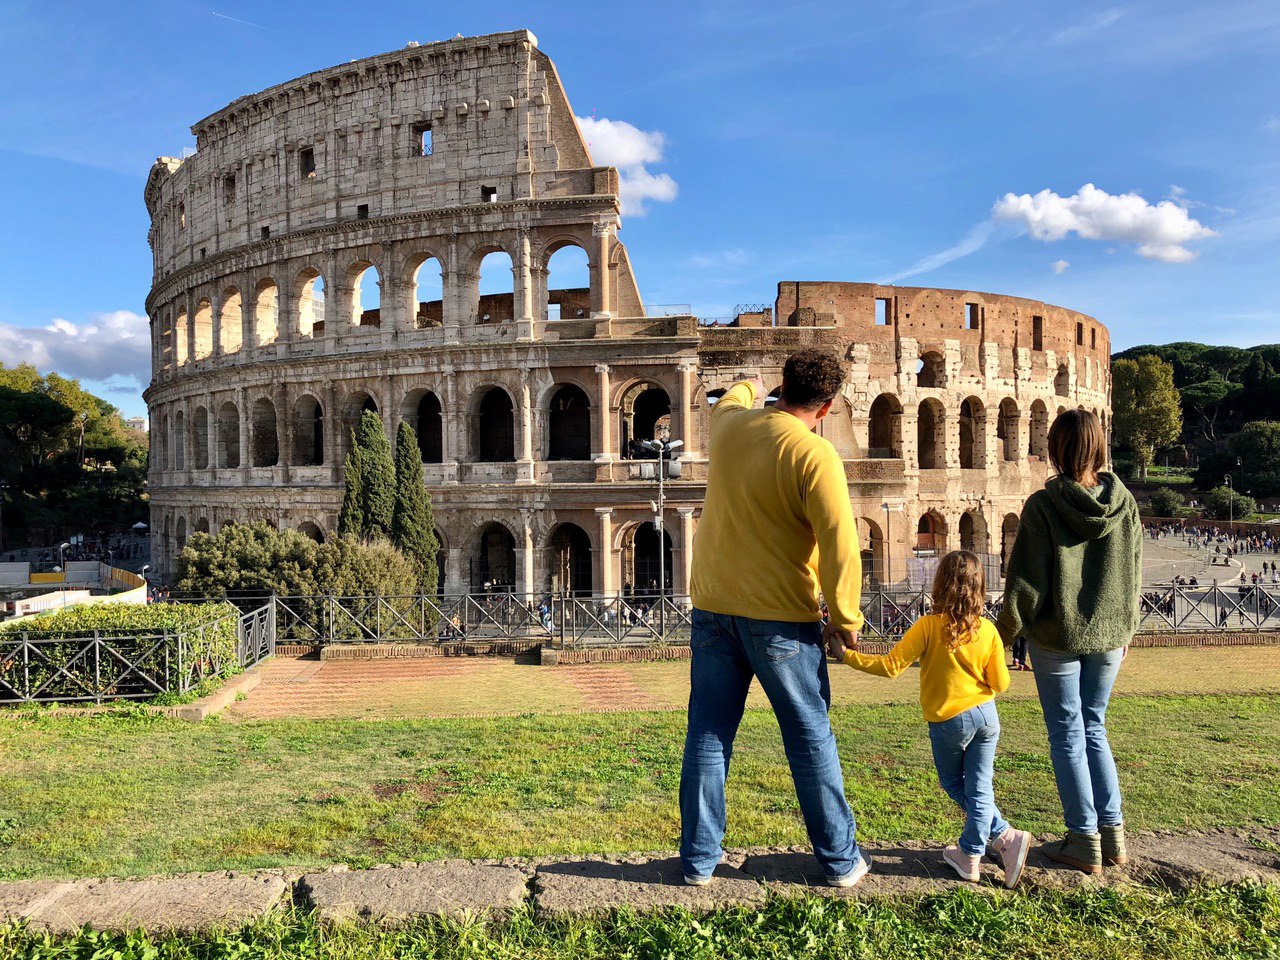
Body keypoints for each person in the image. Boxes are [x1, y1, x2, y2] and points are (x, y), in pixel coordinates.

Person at [681, 350, 869, 888]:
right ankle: (839, 860)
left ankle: (698, 862)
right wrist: (846, 616)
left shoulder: (730, 428)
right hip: (781, 617)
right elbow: (840, 543)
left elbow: (734, 397)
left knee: (709, 735)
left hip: (714, 607)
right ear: (827, 406)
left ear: (781, 388)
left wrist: (750, 384)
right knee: (809, 736)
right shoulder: (815, 453)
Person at [997, 409, 1141, 875]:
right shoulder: (1125, 503)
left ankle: (1083, 839)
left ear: (1056, 449)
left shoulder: (1044, 506)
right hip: (1108, 635)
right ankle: (1113, 836)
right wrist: (1126, 629)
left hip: (1058, 635)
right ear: (1099, 447)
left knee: (1067, 733)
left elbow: (1026, 583)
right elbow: (1133, 573)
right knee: (1094, 727)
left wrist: (1002, 635)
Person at [836, 551, 1032, 888]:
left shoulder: (928, 627)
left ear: (940, 584)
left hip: (949, 721)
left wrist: (846, 656)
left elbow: (890, 666)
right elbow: (1001, 683)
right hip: (986, 716)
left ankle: (978, 850)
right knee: (979, 786)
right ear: (979, 587)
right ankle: (1001, 841)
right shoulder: (987, 631)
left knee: (956, 785)